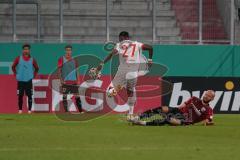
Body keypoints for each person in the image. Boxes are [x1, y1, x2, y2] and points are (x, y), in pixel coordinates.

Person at [96, 31, 153, 120]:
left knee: (110, 92)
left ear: (125, 37)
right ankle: (130, 114)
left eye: (120, 38)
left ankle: (119, 87)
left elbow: (112, 54)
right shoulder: (137, 44)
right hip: (133, 71)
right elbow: (150, 47)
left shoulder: (119, 45)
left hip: (123, 70)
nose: (120, 40)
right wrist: (149, 60)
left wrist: (102, 63)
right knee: (130, 91)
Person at [131, 90, 215, 126]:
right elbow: (183, 105)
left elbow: (208, 121)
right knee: (161, 109)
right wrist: (172, 110)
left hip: (186, 120)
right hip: (179, 111)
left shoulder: (209, 110)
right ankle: (138, 117)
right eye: (206, 94)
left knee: (168, 120)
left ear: (212, 99)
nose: (206, 96)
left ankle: (141, 123)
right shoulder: (194, 99)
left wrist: (208, 123)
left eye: (209, 96)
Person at [12, 44, 39, 114]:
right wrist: (16, 75)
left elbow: (37, 68)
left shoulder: (32, 59)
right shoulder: (18, 58)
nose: (26, 50)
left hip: (29, 81)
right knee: (20, 96)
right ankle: (20, 110)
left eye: (27, 49)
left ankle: (29, 111)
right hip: (20, 80)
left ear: (29, 50)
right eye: (24, 49)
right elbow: (13, 67)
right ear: (22, 50)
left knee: (30, 96)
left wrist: (33, 75)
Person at [57, 45, 83, 113]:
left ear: (71, 51)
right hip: (65, 82)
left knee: (77, 96)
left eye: (69, 50)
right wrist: (61, 80)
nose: (68, 51)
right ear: (65, 51)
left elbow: (77, 71)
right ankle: (66, 112)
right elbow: (59, 71)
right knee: (65, 96)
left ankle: (80, 111)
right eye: (67, 50)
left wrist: (78, 80)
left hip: (73, 81)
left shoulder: (74, 60)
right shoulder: (61, 59)